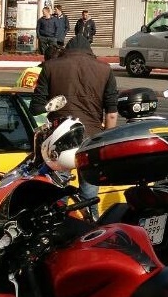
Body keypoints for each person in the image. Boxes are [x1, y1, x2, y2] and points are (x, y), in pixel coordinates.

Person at [29, 36, 118, 213]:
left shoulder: (51, 66)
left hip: (59, 139)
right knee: (89, 196)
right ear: (90, 51)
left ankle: (57, 230)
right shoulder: (105, 70)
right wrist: (108, 143)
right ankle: (89, 232)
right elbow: (112, 114)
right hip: (91, 139)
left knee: (57, 195)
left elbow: (36, 108)